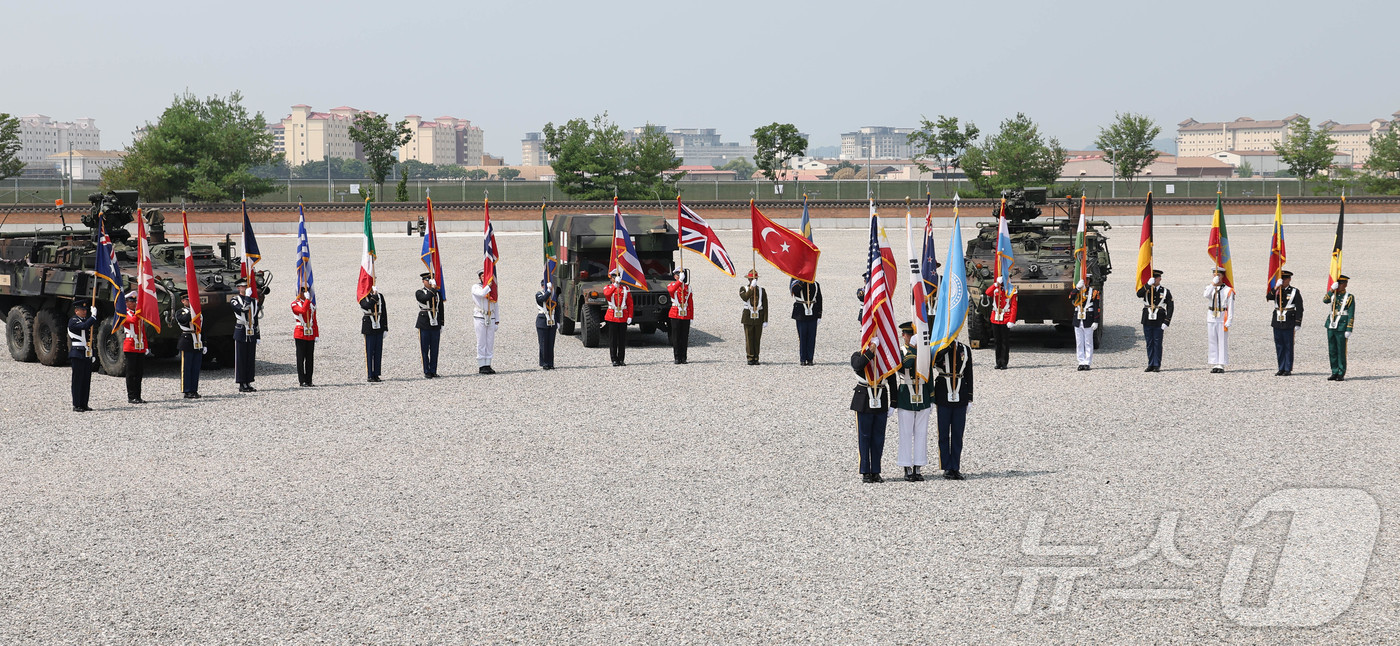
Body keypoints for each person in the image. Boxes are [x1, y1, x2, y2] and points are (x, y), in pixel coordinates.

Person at [894, 322, 932, 481]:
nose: (909, 337)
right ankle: (906, 466)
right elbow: (905, 366)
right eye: (908, 335)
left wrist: (932, 397)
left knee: (921, 433)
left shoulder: (923, 352)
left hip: (922, 394)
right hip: (906, 395)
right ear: (903, 335)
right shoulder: (901, 351)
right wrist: (914, 349)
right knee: (906, 433)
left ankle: (918, 465)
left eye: (912, 335)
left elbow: (928, 374)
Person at [933, 337, 974, 480]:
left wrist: (970, 398)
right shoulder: (940, 347)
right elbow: (934, 362)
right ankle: (946, 467)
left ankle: (955, 466)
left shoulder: (965, 349)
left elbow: (969, 374)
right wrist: (947, 347)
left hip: (960, 393)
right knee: (943, 433)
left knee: (958, 434)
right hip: (944, 393)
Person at [850, 343, 891, 483]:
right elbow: (858, 365)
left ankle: (876, 471)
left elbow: (891, 379)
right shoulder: (857, 355)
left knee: (878, 439)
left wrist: (894, 402)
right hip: (864, 401)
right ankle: (865, 471)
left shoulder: (884, 359)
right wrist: (870, 352)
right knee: (864, 437)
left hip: (881, 399)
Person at [1265, 270, 1304, 376]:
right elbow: (1268, 297)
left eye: (1285, 279)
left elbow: (1299, 308)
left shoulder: (1295, 292)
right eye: (1281, 279)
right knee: (1279, 345)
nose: (1283, 281)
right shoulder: (1277, 290)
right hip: (1277, 321)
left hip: (1289, 321)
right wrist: (1276, 287)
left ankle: (1287, 367)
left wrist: (1298, 322)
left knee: (1288, 345)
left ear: (1289, 279)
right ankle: (1281, 367)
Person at [1137, 269, 1174, 372]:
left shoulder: (1165, 291)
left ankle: (1157, 364)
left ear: (1160, 279)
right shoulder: (1147, 289)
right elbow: (1139, 294)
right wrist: (1147, 285)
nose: (1154, 280)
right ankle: (1150, 364)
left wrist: (1167, 321)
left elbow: (1170, 307)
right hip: (1147, 319)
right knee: (1149, 342)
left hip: (1159, 319)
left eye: (1156, 278)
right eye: (1152, 278)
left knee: (1157, 342)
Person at [229, 278, 260, 392]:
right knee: (241, 358)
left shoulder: (253, 301)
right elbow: (243, 309)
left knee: (250, 358)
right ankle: (241, 383)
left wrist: (258, 335)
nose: (245, 288)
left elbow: (255, 318)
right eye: (242, 286)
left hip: (251, 330)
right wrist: (247, 297)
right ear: (238, 288)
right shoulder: (234, 300)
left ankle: (248, 381)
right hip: (241, 330)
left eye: (246, 286)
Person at [1323, 275, 1355, 381]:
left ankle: (1341, 372)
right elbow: (1325, 300)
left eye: (1341, 283)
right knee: (1332, 349)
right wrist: (1331, 289)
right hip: (1331, 324)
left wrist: (1349, 328)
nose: (1340, 286)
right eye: (1338, 283)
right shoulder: (1333, 294)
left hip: (1342, 325)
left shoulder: (1349, 297)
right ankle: (1334, 371)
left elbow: (1351, 314)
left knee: (1341, 349)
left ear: (1346, 284)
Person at [67, 299, 97, 412]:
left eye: (85, 310)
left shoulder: (85, 320)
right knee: (77, 380)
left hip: (86, 353)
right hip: (77, 353)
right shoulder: (73, 321)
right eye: (82, 310)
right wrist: (93, 317)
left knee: (86, 380)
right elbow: (84, 326)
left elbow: (89, 339)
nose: (84, 312)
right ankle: (77, 404)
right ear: (76, 311)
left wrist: (92, 352)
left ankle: (84, 403)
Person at [1204, 267, 1234, 373]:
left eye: (1218, 275)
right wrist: (1213, 284)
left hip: (1222, 316)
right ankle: (1214, 362)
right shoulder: (1210, 288)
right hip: (1211, 315)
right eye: (1214, 274)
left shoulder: (1228, 290)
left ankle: (1221, 363)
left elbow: (1230, 306)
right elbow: (1206, 295)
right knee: (1212, 340)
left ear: (1223, 276)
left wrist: (1229, 319)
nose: (1216, 276)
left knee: (1222, 341)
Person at [985, 277, 1018, 370]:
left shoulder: (1012, 291)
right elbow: (987, 292)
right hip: (995, 317)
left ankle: (1004, 362)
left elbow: (1013, 307)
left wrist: (1011, 320)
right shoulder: (996, 289)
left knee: (1004, 341)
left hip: (1005, 318)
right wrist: (995, 284)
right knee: (997, 341)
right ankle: (998, 362)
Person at [121, 292, 148, 404]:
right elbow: (132, 321)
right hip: (130, 345)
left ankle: (138, 395)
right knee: (131, 373)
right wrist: (140, 311)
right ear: (126, 303)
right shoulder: (124, 313)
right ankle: (131, 396)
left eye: (134, 301)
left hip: (139, 345)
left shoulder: (137, 314)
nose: (134, 303)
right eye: (131, 302)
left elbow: (142, 331)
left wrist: (146, 346)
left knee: (139, 373)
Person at [471, 269, 500, 374]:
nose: (485, 277)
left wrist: (497, 320)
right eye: (483, 276)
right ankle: (481, 365)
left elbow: (495, 304)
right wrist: (488, 286)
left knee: (489, 342)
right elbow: (481, 293)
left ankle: (488, 363)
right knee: (481, 341)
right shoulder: (476, 287)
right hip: (480, 316)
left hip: (491, 316)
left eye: (486, 275)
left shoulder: (492, 289)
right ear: (480, 278)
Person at [603, 269, 633, 367]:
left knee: (622, 339)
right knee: (613, 339)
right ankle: (614, 359)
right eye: (614, 277)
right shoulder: (608, 287)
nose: (616, 278)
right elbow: (607, 294)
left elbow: (630, 303)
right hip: (612, 316)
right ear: (611, 278)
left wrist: (630, 316)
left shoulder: (625, 288)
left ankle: (621, 359)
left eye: (617, 276)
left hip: (623, 316)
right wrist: (615, 284)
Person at [416, 272, 443, 378]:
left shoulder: (437, 293)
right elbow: (424, 298)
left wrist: (442, 323)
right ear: (423, 281)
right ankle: (426, 370)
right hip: (424, 322)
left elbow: (440, 308)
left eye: (430, 280)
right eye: (427, 280)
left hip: (435, 321)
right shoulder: (419, 292)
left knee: (435, 348)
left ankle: (433, 370)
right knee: (424, 347)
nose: (429, 282)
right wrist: (432, 289)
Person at [175, 293, 203, 398]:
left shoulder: (198, 313)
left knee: (195, 367)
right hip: (187, 340)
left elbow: (201, 328)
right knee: (186, 367)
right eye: (187, 299)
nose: (190, 301)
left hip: (197, 340)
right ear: (183, 301)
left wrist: (204, 343)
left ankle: (194, 389)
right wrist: (193, 311)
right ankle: (187, 390)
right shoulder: (180, 312)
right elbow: (184, 320)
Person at [739, 268, 768, 365]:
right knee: (749, 338)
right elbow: (745, 297)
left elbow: (765, 306)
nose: (753, 280)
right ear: (749, 280)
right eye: (751, 279)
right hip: (748, 317)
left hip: (758, 317)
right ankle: (750, 357)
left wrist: (765, 319)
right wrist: (751, 287)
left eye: (755, 279)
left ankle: (756, 357)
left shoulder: (762, 290)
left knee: (757, 339)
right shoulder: (743, 289)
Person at [1070, 279, 1100, 370]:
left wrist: (1096, 321)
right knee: (1079, 342)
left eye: (1086, 280)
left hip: (1088, 319)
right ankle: (1081, 362)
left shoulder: (1094, 292)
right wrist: (1077, 288)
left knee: (1088, 342)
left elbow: (1096, 307)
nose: (1085, 282)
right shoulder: (1077, 291)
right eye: (1084, 280)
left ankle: (1087, 362)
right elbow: (1070, 297)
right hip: (1078, 319)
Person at [791, 279, 822, 366]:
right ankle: (803, 358)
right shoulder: (796, 282)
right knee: (802, 336)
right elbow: (795, 291)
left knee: (811, 337)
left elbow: (819, 299)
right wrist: (802, 282)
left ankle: (810, 358)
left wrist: (819, 315)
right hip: (801, 313)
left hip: (813, 313)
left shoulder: (815, 284)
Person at [291, 289, 318, 387]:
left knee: (310, 358)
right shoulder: (295, 304)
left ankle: (309, 380)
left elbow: (314, 320)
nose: (305, 293)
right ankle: (302, 380)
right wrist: (307, 300)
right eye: (302, 291)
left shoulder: (310, 304)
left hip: (310, 332)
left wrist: (316, 334)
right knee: (300, 358)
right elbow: (302, 311)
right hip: (300, 332)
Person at [666, 269, 694, 364]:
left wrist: (691, 317)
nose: (680, 276)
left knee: (684, 337)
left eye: (681, 275)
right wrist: (680, 281)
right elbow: (671, 290)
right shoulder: (672, 285)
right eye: (678, 275)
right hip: (675, 313)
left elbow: (690, 303)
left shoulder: (688, 288)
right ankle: (677, 357)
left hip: (685, 314)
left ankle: (684, 357)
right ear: (675, 276)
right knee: (676, 337)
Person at [359, 286, 387, 382]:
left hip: (379, 325)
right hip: (369, 326)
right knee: (370, 351)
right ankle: (370, 374)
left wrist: (385, 327)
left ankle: (376, 373)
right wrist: (374, 296)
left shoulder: (380, 296)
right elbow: (368, 306)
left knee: (378, 351)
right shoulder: (362, 297)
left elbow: (384, 311)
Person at [536, 279, 558, 370]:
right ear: (542, 286)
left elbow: (557, 308)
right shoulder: (539, 294)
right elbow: (542, 299)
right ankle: (544, 363)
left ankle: (550, 363)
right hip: (542, 320)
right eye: (544, 286)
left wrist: (558, 322)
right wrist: (548, 291)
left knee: (550, 343)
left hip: (552, 320)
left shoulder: (553, 296)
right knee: (543, 343)